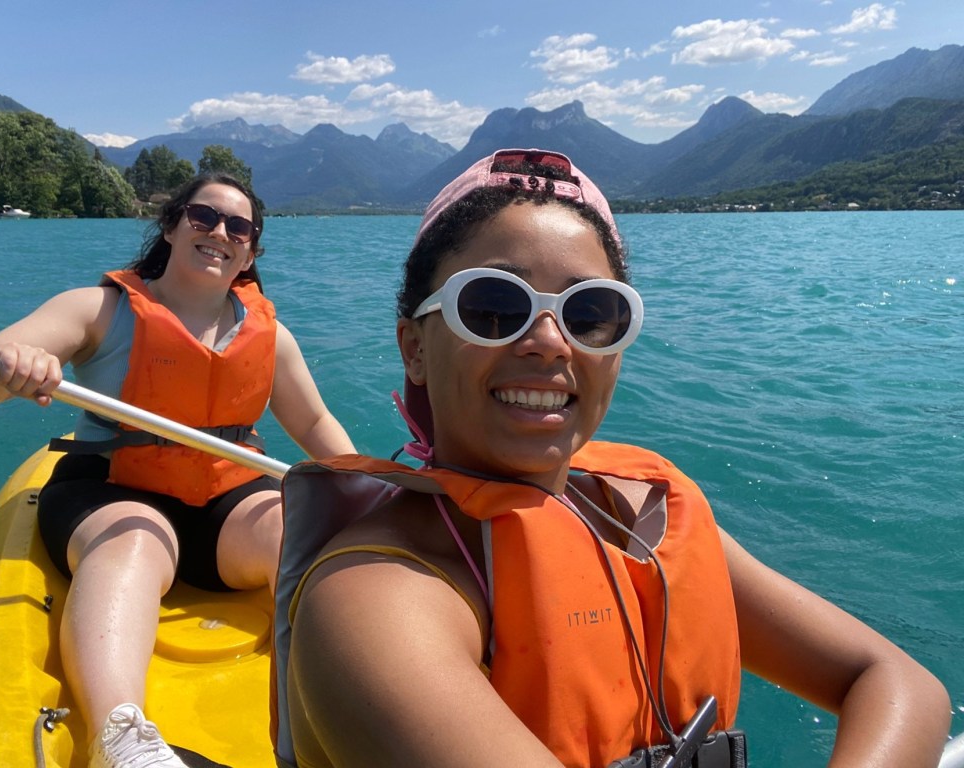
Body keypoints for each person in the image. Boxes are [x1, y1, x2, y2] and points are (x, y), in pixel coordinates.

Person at [271, 149, 950, 768]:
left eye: (590, 312)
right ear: (415, 347)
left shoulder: (637, 517)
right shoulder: (377, 601)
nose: (549, 342)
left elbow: (897, 683)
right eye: (493, 306)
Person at [0, 172, 356, 768]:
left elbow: (316, 425)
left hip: (224, 502)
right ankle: (122, 739)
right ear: (170, 225)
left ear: (252, 250)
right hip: (111, 490)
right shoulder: (98, 309)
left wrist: (361, 487)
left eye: (239, 228)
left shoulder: (271, 335)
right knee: (137, 536)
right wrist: (13, 366)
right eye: (204, 217)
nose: (221, 233)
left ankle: (335, 719)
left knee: (292, 534)